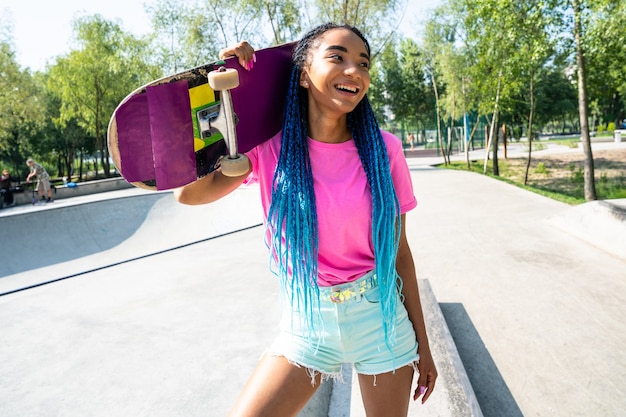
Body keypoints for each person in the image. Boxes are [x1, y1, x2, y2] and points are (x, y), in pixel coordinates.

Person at [175, 23, 437, 416]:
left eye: (363, 64)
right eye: (338, 57)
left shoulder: (386, 150)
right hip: (308, 324)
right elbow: (188, 194)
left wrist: (424, 347)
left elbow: (400, 255)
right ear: (302, 74)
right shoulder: (268, 150)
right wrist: (218, 94)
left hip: (380, 321)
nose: (354, 71)